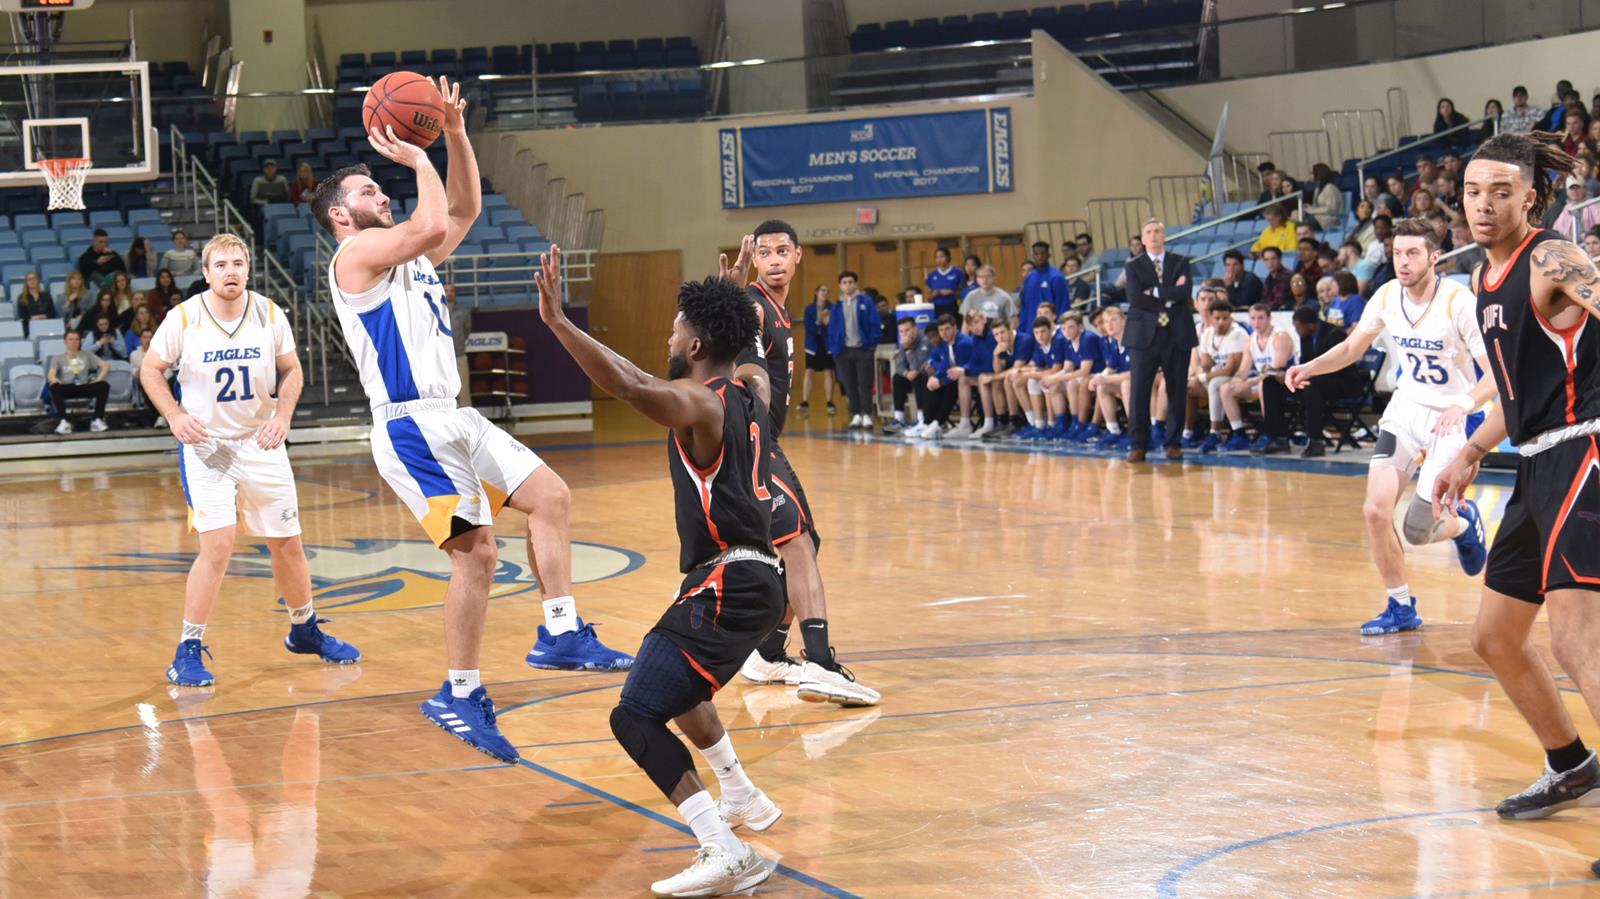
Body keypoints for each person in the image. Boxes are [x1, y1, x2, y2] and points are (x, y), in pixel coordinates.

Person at [308, 77, 632, 763]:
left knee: (551, 496)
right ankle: (459, 692)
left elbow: (462, 211)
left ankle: (561, 631)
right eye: (367, 191)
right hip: (410, 429)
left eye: (381, 187)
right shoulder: (354, 257)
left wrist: (453, 132)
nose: (382, 195)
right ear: (339, 215)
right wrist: (415, 156)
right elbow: (430, 222)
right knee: (477, 554)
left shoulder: (408, 258)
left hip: (453, 415)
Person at [535, 249, 778, 897]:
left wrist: (559, 323)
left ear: (696, 345)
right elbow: (743, 352)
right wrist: (731, 295)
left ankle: (724, 849)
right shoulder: (751, 391)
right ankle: (741, 794)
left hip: (726, 580)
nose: (668, 338)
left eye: (676, 330)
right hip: (753, 577)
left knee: (635, 715)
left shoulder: (701, 403)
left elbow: (629, 384)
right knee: (680, 689)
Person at [1429, 134, 1600, 852]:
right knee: (1496, 637)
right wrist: (1470, 451)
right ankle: (1572, 764)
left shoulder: (1552, 257)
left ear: (1531, 199)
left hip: (1585, 452)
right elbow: (1514, 390)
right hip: (1534, 463)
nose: (1484, 205)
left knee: (1577, 639)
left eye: (1502, 192)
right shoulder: (1483, 281)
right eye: (1473, 191)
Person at [137, 233, 360, 686]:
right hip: (207, 446)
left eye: (238, 264)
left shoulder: (269, 312)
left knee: (288, 542)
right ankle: (187, 649)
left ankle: (304, 630)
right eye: (221, 265)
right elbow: (150, 369)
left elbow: (292, 369)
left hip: (261, 442)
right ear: (206, 273)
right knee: (218, 546)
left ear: (248, 270)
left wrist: (283, 415)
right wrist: (175, 415)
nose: (231, 272)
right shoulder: (183, 317)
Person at [1286, 218, 1492, 635]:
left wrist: (1464, 404)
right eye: (1398, 253)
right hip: (1406, 410)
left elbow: (1495, 375)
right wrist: (1310, 366)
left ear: (1435, 257)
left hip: (1451, 418)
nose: (1403, 261)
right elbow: (1351, 348)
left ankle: (1464, 523)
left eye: (1413, 253)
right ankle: (1401, 607)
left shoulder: (1459, 303)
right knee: (1375, 511)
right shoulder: (1385, 295)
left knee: (1417, 530)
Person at [727, 223, 880, 707]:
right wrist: (752, 396)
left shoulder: (779, 309)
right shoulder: (753, 306)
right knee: (796, 544)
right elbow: (742, 363)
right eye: (765, 252)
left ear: (797, 256)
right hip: (751, 444)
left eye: (782, 251)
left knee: (806, 542)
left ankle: (767, 653)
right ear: (754, 260)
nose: (774, 259)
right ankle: (819, 663)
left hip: (766, 442)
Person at [1122, 218, 1194, 461]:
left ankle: (1173, 442)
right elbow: (1135, 298)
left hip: (1177, 334)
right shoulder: (1133, 265)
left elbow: (1185, 292)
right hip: (1144, 336)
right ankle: (1138, 444)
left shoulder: (1180, 261)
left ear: (1165, 236)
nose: (1153, 235)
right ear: (1143, 239)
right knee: (1139, 391)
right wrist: (1169, 298)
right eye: (1149, 232)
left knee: (1177, 390)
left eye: (1158, 231)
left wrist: (1155, 292)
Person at [1219, 302, 1296, 451]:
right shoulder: (1251, 339)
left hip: (1283, 383)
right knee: (1226, 389)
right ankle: (1239, 433)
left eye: (1260, 318)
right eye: (1253, 318)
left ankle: (1271, 433)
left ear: (1269, 318)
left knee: (1264, 385)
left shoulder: (1280, 337)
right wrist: (1236, 382)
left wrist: (1249, 383)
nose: (1256, 322)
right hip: (1260, 380)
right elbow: (1243, 370)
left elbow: (1276, 371)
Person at [1188, 298, 1248, 452]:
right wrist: (1202, 371)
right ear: (1210, 318)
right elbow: (1206, 364)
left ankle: (1215, 432)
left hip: (1238, 378)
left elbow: (1230, 370)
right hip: (1217, 376)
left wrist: (1204, 377)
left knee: (1215, 384)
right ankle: (1190, 431)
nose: (1221, 322)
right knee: (1188, 387)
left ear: (1230, 318)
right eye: (1217, 318)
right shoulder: (1208, 334)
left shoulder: (1237, 334)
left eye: (1225, 318)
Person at [826, 269, 881, 430]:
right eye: (844, 283)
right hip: (843, 351)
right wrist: (834, 348)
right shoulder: (837, 305)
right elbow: (832, 328)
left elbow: (875, 323)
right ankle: (856, 414)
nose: (848, 285)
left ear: (856, 284)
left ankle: (867, 415)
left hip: (863, 349)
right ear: (840, 286)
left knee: (865, 384)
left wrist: (871, 344)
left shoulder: (866, 301)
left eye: (850, 282)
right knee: (849, 384)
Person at [47, 329, 110, 434]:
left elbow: (105, 365)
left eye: (76, 339)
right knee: (54, 387)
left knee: (103, 385)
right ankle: (64, 421)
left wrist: (98, 379)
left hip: (83, 385)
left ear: (80, 341)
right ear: (65, 342)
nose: (74, 342)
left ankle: (97, 420)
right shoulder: (57, 358)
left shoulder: (87, 354)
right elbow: (51, 374)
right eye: (70, 339)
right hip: (67, 386)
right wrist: (55, 379)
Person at [883, 316, 930, 435]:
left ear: (915, 329)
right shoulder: (903, 343)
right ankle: (899, 418)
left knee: (918, 377)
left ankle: (921, 418)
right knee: (897, 378)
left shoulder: (925, 340)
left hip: (927, 376)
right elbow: (899, 365)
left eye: (907, 330)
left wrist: (908, 349)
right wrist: (906, 373)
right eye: (901, 331)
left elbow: (918, 365)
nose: (904, 334)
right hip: (912, 375)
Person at [797, 284, 835, 416]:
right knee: (809, 371)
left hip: (827, 343)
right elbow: (809, 327)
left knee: (828, 371)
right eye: (822, 290)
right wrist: (820, 321)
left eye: (827, 291)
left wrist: (827, 323)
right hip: (813, 344)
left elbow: (834, 326)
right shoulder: (809, 309)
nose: (825, 293)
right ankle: (805, 402)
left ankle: (830, 402)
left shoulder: (832, 307)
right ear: (816, 292)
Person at [1018, 241, 1068, 330]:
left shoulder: (1056, 277)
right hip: (1031, 329)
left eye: (1042, 254)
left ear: (1048, 255)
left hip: (1050, 329)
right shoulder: (1029, 278)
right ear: (1033, 256)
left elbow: (1063, 305)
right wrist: (1022, 328)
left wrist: (1060, 328)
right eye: (1036, 254)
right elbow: (1025, 306)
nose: (1039, 257)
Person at [924, 247, 964, 319]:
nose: (939, 260)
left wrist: (951, 292)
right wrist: (933, 295)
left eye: (942, 256)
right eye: (937, 257)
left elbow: (963, 292)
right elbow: (928, 296)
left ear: (948, 257)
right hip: (936, 307)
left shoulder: (958, 273)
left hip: (952, 306)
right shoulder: (932, 275)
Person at [15, 270, 55, 336]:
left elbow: (53, 313)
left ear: (38, 281)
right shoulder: (22, 297)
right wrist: (33, 318)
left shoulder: (46, 296)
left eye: (34, 278)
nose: (32, 281)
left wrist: (43, 316)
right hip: (29, 327)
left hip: (47, 324)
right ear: (26, 282)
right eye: (30, 279)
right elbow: (22, 315)